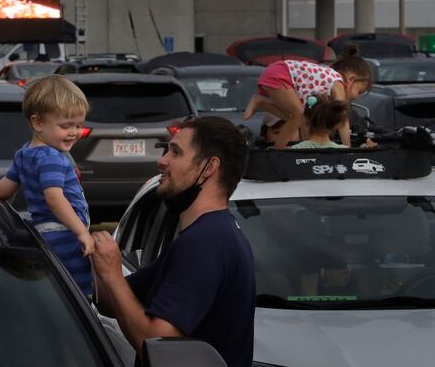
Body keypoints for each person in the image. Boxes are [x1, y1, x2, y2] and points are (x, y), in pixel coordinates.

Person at [91, 116, 255, 367]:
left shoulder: (205, 243)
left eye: (176, 153)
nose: (162, 161)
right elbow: (110, 303)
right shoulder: (205, 235)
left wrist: (112, 273)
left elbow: (159, 348)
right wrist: (78, 241)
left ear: (209, 168)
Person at [0, 75, 94, 296]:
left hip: (44, 234)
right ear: (38, 123)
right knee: (80, 293)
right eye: (66, 125)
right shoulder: (51, 157)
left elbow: (4, 190)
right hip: (65, 234)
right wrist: (82, 233)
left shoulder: (24, 154)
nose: (74, 133)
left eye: (78, 125)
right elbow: (55, 198)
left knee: (58, 290)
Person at [242, 46, 373, 149]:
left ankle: (262, 104)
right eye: (359, 91)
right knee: (297, 115)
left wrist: (307, 146)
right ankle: (278, 151)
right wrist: (348, 148)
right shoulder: (337, 83)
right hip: (280, 75)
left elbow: (305, 123)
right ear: (350, 79)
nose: (357, 97)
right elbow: (343, 120)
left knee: (295, 118)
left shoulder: (326, 81)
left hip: (278, 73)